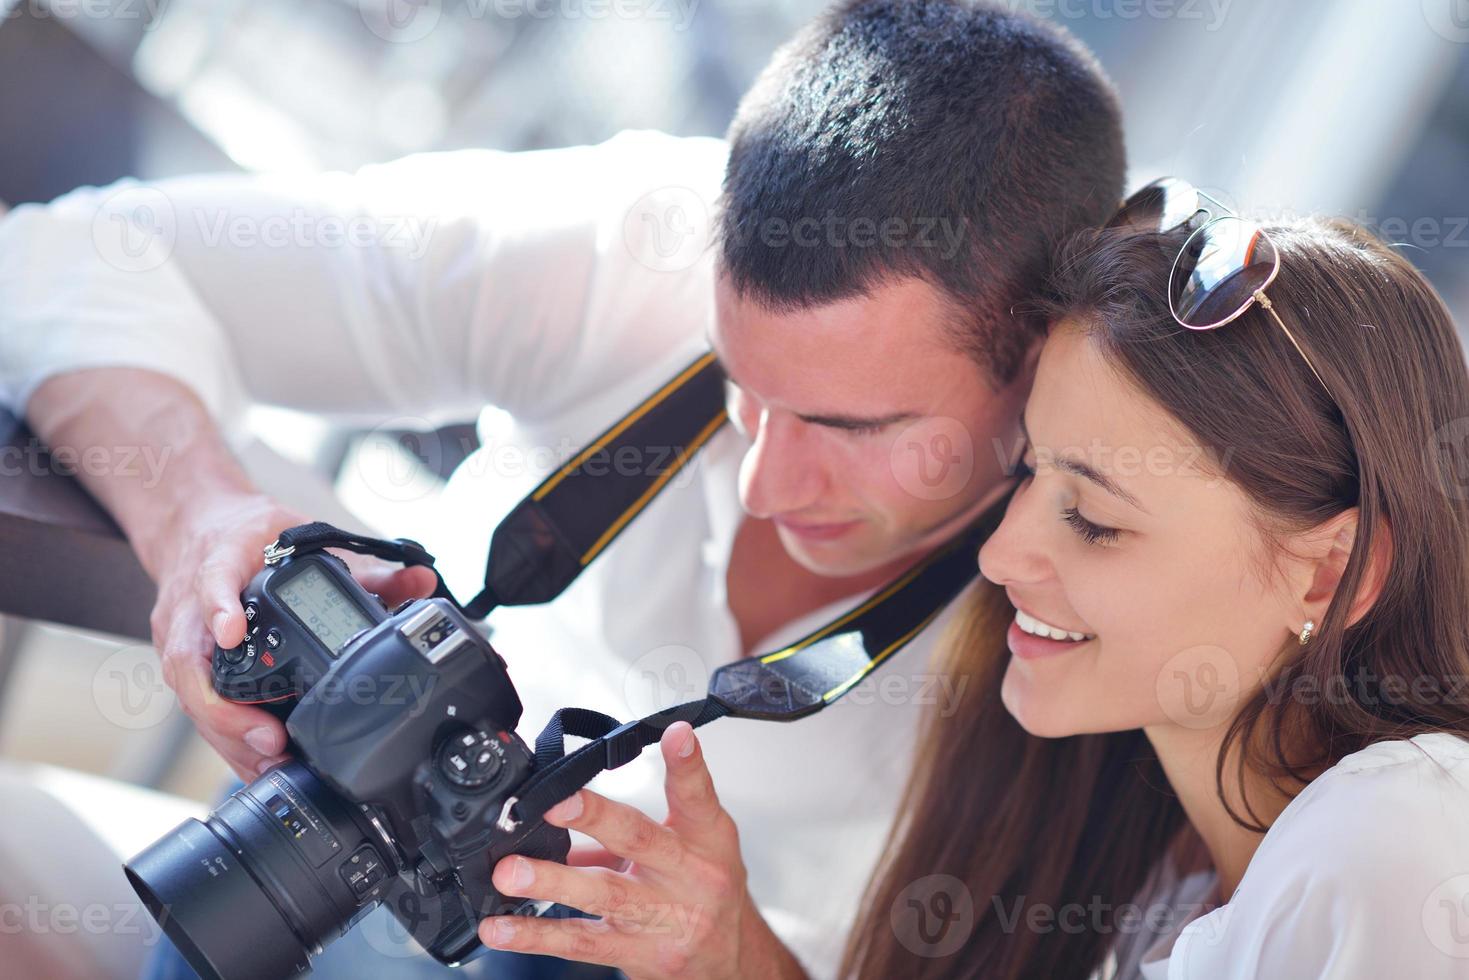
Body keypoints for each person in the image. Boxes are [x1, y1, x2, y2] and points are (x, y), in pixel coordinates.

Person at [0, 1, 1126, 975]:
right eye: (740, 384)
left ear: (1040, 363)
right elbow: (73, 255)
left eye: (855, 425)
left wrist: (733, 957)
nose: (768, 479)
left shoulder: (1113, 613)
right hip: (349, 896)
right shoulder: (646, 244)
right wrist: (195, 514)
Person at [833, 191, 1469, 978]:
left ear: (1327, 574)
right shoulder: (1165, 877)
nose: (998, 558)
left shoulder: (1396, 845)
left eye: (1094, 520)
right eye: (1024, 470)